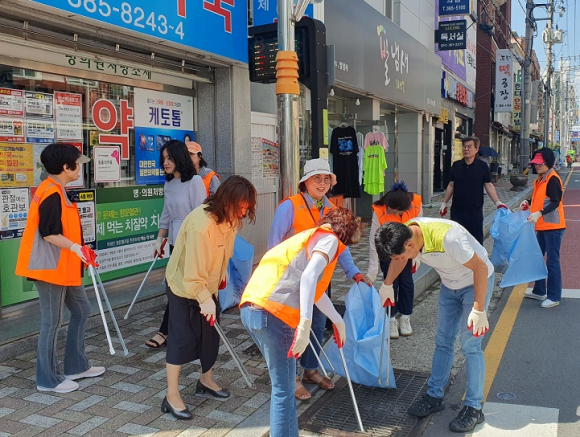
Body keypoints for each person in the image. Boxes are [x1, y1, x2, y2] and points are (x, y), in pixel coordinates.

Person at [241, 207, 362, 437]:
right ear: (346, 232)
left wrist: (337, 320)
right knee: (284, 390)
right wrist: (305, 324)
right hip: (275, 315)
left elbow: (314, 289)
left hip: (252, 310)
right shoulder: (330, 239)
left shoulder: (310, 236)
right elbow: (308, 277)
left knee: (283, 387)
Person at [375, 217, 495, 433]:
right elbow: (399, 260)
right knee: (443, 341)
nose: (400, 260)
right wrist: (387, 284)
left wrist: (478, 309)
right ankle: (434, 396)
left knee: (470, 345)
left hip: (475, 283)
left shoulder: (450, 238)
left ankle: (474, 407)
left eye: (401, 256)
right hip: (449, 286)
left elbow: (481, 268)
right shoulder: (406, 234)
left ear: (410, 245)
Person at [267, 158, 369, 401]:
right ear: (305, 182)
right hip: (290, 283)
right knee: (294, 328)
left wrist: (354, 272)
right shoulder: (290, 206)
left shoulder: (332, 209)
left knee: (316, 324)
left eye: (326, 179)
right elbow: (274, 244)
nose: (322, 183)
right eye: (316, 178)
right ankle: (292, 377)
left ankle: (310, 369)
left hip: (319, 282)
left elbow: (341, 246)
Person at [161, 176, 257, 420]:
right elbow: (192, 275)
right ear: (226, 201)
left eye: (246, 208)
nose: (243, 213)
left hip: (209, 284)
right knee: (181, 339)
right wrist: (205, 301)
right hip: (183, 286)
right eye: (240, 207)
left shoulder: (231, 220)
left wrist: (222, 274)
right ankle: (171, 396)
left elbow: (224, 252)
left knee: (211, 336)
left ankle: (206, 380)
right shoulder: (201, 226)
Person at [15, 143, 105, 393]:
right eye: (77, 164)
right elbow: (49, 233)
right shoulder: (51, 192)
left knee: (82, 310)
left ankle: (76, 366)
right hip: (50, 268)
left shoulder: (56, 190)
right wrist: (76, 248)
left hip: (64, 267)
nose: (79, 168)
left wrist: (79, 251)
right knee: (51, 322)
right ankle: (48, 379)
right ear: (66, 167)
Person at [145, 140, 207, 349]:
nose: (166, 163)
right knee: (175, 286)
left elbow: (201, 215)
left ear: (180, 158)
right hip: (175, 242)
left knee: (183, 287)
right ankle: (178, 330)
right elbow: (166, 214)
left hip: (191, 243)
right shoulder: (169, 184)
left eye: (170, 158)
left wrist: (196, 243)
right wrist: (159, 239)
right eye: (163, 159)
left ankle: (167, 331)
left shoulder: (195, 181)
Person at [367, 180, 422, 339]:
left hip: (407, 251)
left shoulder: (416, 204)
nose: (396, 215)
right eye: (393, 211)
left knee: (406, 282)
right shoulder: (379, 210)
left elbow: (420, 231)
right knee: (390, 283)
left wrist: (418, 254)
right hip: (388, 252)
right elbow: (373, 240)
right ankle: (391, 318)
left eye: (400, 212)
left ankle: (405, 317)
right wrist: (372, 269)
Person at [520, 148, 566, 308]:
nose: (537, 166)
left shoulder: (552, 179)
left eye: (540, 163)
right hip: (541, 225)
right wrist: (528, 204)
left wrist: (539, 213)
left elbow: (555, 201)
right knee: (537, 258)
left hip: (553, 226)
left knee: (552, 262)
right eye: (535, 163)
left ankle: (554, 296)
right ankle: (539, 291)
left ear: (548, 163)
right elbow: (540, 200)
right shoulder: (540, 179)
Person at [439, 136, 507, 244]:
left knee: (476, 242)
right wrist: (444, 203)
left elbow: (488, 185)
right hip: (457, 211)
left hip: (475, 211)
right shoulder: (456, 165)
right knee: (456, 242)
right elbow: (451, 185)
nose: (466, 149)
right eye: (464, 146)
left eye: (469, 146)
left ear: (476, 149)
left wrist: (497, 202)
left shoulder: (482, 166)